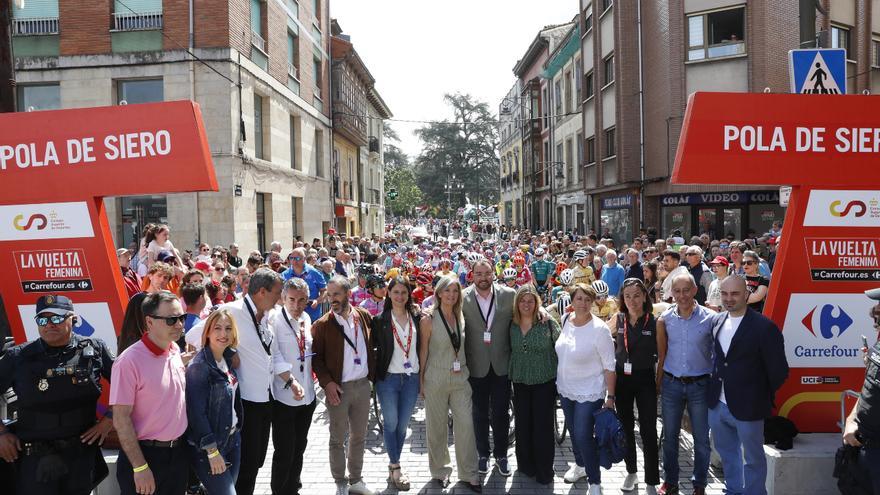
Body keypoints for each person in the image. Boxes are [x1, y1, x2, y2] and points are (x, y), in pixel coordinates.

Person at [0, 295, 115, 495]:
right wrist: (1, 434)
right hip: (34, 460)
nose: (50, 325)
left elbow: (129, 387)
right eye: (43, 320)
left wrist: (110, 420)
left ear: (73, 319)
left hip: (80, 456)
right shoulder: (18, 356)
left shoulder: (95, 349)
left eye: (57, 318)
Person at [187, 268, 283, 495]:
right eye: (277, 293)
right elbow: (193, 335)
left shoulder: (268, 315)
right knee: (247, 468)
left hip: (265, 398)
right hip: (245, 402)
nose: (279, 298)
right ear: (261, 291)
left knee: (256, 462)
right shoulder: (232, 310)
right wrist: (228, 352)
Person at [708, 276, 789, 495]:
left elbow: (779, 371)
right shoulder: (717, 321)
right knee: (728, 455)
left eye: (734, 294)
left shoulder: (764, 327)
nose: (729, 299)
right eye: (724, 294)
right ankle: (733, 491)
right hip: (718, 404)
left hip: (750, 407)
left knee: (752, 459)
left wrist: (758, 395)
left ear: (746, 294)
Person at [112, 291, 190, 495]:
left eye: (182, 317)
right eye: (171, 319)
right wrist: (139, 467)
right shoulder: (129, 361)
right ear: (149, 322)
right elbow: (121, 419)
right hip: (145, 457)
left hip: (177, 456)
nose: (179, 324)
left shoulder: (174, 349)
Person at [311, 276, 376, 495]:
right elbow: (316, 359)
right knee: (337, 437)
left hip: (362, 386)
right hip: (338, 388)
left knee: (359, 436)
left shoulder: (363, 316)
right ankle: (340, 481)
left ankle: (356, 480)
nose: (332, 299)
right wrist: (327, 383)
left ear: (348, 293)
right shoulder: (322, 325)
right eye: (329, 295)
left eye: (336, 294)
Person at [419, 275, 481, 493]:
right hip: (435, 376)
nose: (451, 295)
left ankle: (469, 473)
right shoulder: (428, 318)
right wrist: (421, 382)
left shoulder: (461, 315)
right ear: (438, 293)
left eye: (455, 291)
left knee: (466, 425)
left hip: (460, 376)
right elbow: (423, 351)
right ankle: (440, 471)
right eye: (447, 291)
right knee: (436, 428)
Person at [656, 273, 716, 495]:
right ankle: (670, 481)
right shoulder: (665, 319)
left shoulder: (710, 318)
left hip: (700, 385)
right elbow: (662, 355)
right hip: (672, 384)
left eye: (685, 290)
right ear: (672, 293)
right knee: (670, 437)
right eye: (677, 291)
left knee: (701, 438)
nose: (681, 295)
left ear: (694, 291)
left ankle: (699, 483)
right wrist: (658, 384)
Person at [555, 283, 616, 494]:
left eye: (588, 299)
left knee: (582, 435)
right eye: (579, 298)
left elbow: (609, 365)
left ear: (593, 302)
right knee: (573, 431)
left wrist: (611, 397)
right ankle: (580, 465)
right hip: (565, 389)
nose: (583, 303)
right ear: (572, 299)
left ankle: (595, 481)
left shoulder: (600, 329)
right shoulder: (565, 320)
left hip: (590, 391)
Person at [461, 259, 516, 477]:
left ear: (493, 273)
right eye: (479, 274)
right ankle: (482, 454)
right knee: (479, 413)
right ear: (472, 275)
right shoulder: (462, 297)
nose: (483, 278)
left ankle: (501, 455)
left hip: (502, 364)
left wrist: (543, 314)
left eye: (487, 273)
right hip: (476, 366)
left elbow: (527, 310)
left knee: (501, 413)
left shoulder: (509, 294)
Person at [607, 279, 660, 494]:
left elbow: (664, 353)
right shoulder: (617, 319)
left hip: (646, 379)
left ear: (645, 296)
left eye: (636, 295)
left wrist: (660, 380)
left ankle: (651, 481)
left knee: (648, 430)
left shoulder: (655, 322)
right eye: (627, 296)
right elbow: (596, 333)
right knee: (626, 428)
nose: (632, 300)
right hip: (623, 380)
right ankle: (631, 472)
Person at [370, 276, 423, 491]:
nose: (400, 296)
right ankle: (395, 465)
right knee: (390, 424)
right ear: (388, 294)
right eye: (395, 292)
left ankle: (394, 464)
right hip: (388, 379)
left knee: (402, 426)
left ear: (409, 294)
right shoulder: (380, 320)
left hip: (411, 379)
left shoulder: (418, 317)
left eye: (404, 292)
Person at [185, 309, 244, 495]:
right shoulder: (199, 367)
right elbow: (196, 413)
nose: (223, 333)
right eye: (217, 328)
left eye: (228, 328)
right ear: (208, 331)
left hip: (233, 440)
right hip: (210, 447)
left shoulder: (226, 359)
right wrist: (211, 451)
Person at [508, 285, 560, 485]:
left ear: (537, 302)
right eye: (522, 300)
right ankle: (526, 465)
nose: (526, 304)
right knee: (523, 425)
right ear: (517, 303)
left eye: (530, 301)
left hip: (544, 381)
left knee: (543, 427)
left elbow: (562, 345)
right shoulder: (511, 324)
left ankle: (544, 469)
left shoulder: (547, 323)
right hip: (520, 380)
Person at [268, 278, 314, 495]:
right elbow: (274, 356)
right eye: (292, 300)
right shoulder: (274, 320)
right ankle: (279, 490)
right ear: (283, 298)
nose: (297, 306)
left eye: (302, 300)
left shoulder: (306, 318)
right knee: (284, 451)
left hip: (307, 397)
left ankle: (293, 486)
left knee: (300, 448)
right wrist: (291, 381)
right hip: (284, 397)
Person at [842, 287, 880, 492]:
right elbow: (870, 387)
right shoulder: (878, 344)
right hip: (862, 445)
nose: (875, 309)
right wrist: (851, 420)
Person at [282, 248, 328, 324]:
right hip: (291, 318)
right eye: (291, 258)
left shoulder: (314, 273)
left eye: (297, 258)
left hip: (312, 317)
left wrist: (317, 301)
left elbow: (324, 291)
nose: (294, 261)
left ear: (304, 259)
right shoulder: (284, 275)